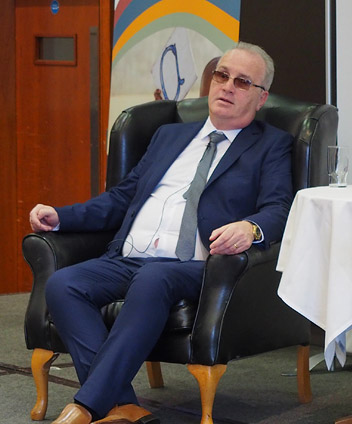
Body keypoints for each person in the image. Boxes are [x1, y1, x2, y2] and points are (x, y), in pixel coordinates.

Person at [29, 42, 292, 424]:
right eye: (221, 75)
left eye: (242, 81)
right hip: (129, 256)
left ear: (261, 96)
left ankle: (85, 407)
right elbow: (123, 197)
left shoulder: (270, 145)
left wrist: (250, 228)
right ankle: (120, 405)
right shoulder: (169, 136)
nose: (227, 86)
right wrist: (61, 216)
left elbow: (279, 208)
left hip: (195, 264)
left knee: (154, 277)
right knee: (64, 284)